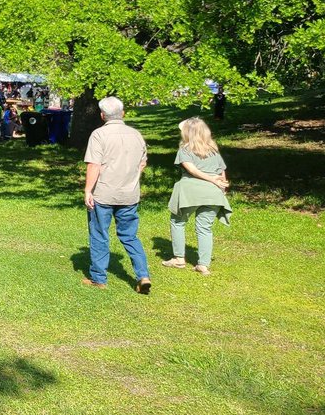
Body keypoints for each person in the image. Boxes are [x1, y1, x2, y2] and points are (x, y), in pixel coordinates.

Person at [82, 96, 151, 293]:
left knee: (99, 234)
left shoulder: (98, 135)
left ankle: (99, 278)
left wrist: (88, 190)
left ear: (102, 115)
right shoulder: (136, 135)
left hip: (103, 193)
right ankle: (143, 275)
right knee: (130, 236)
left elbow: (94, 164)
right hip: (129, 194)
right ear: (123, 113)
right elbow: (142, 163)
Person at [163, 117, 232, 275]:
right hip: (213, 194)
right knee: (205, 228)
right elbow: (222, 172)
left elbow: (192, 170)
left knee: (178, 221)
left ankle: (179, 259)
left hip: (190, 192)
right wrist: (221, 185)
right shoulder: (213, 150)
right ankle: (203, 265)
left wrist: (212, 179)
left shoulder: (185, 149)